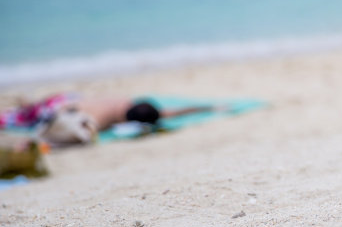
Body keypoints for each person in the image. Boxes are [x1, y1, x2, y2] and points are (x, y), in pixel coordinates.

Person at [1, 94, 218, 133]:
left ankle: (24, 105)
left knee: (25, 111)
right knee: (13, 119)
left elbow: (173, 111)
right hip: (57, 107)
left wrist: (208, 107)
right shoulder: (103, 118)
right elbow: (79, 130)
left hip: (68, 97)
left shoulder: (127, 101)